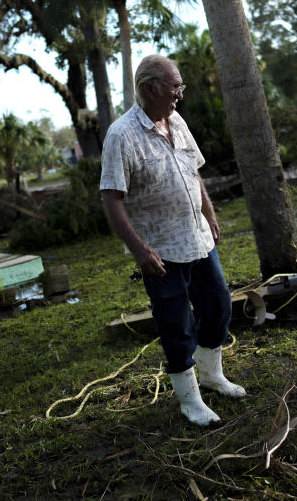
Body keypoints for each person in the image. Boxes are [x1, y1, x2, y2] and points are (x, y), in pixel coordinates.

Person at [99, 54, 245, 426]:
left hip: (197, 237)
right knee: (176, 322)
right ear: (150, 89)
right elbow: (112, 198)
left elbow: (194, 171)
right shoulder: (121, 135)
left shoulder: (176, 121)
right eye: (174, 87)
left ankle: (212, 376)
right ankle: (190, 400)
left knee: (218, 306)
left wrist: (209, 215)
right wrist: (138, 249)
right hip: (160, 250)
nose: (180, 94)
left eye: (181, 86)